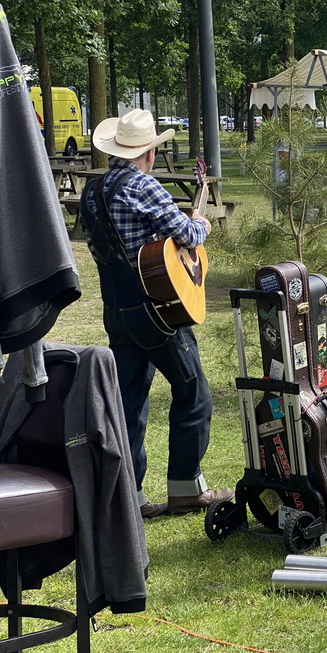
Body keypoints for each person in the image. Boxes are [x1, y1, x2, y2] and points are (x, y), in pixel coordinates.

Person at [80, 109, 234, 520]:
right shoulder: (143, 186)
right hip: (158, 312)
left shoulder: (92, 193)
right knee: (193, 393)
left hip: (117, 310)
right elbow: (187, 235)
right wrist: (199, 224)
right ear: (148, 152)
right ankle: (185, 489)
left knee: (129, 401)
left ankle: (128, 497)